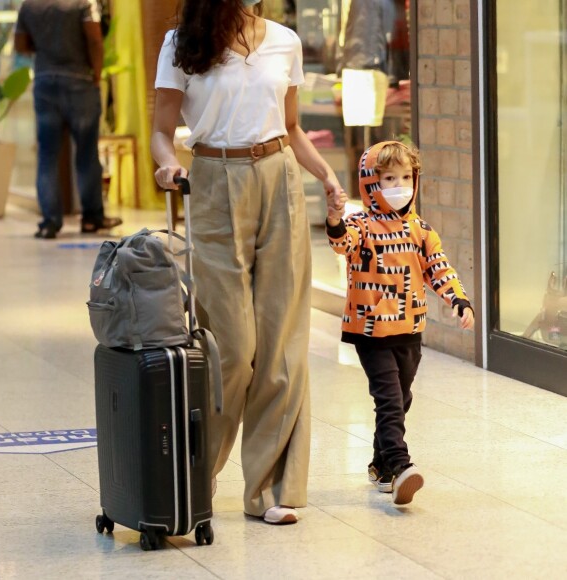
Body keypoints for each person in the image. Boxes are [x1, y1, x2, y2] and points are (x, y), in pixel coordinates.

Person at [151, 0, 344, 525]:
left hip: (279, 174)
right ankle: (196, 476)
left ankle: (269, 490)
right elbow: (162, 132)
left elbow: (293, 126)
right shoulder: (183, 43)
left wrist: (327, 178)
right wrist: (169, 167)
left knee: (281, 342)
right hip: (214, 178)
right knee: (231, 348)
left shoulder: (285, 40)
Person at [325, 141, 474, 505]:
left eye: (406, 177)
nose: (399, 185)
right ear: (371, 182)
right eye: (389, 177)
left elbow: (439, 267)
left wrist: (458, 299)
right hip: (371, 330)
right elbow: (343, 244)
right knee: (389, 400)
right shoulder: (361, 225)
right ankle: (401, 464)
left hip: (410, 329)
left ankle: (380, 465)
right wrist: (334, 220)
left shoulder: (420, 229)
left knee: (402, 397)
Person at [14, 0, 122, 240]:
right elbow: (94, 40)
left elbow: (20, 44)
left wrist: (44, 48)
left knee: (47, 155)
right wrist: (95, 75)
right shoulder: (84, 2)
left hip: (44, 82)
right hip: (80, 81)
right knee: (86, 153)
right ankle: (92, 219)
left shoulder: (29, 6)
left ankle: (50, 222)